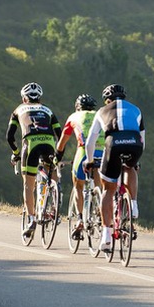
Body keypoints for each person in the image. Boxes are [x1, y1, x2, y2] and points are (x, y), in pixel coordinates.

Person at [83, 83, 145, 251]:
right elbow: (142, 139)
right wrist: (135, 161)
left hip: (113, 143)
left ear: (106, 100)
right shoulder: (136, 109)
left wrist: (89, 160)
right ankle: (133, 205)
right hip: (134, 144)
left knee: (108, 190)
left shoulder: (101, 111)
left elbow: (90, 141)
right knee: (129, 167)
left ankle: (106, 236)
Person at [6, 82, 61, 239]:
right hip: (50, 143)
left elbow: (9, 136)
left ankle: (31, 218)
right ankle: (54, 203)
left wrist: (16, 153)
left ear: (24, 98)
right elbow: (60, 132)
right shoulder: (48, 110)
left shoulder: (18, 110)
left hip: (31, 145)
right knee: (51, 172)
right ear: (39, 98)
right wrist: (59, 153)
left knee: (28, 185)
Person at [55, 94, 104, 240]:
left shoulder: (74, 116)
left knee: (78, 186)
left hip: (84, 151)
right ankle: (100, 209)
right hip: (103, 151)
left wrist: (57, 157)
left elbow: (62, 142)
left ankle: (80, 220)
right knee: (100, 186)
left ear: (77, 107)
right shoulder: (100, 114)